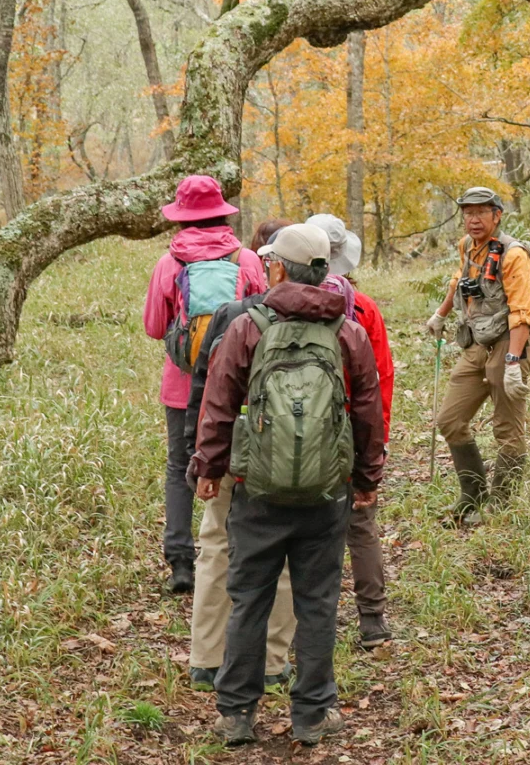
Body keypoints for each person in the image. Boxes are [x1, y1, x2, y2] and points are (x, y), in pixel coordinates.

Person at [191, 223, 385, 747]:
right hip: (327, 493)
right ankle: (314, 712)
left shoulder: (248, 326)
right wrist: (366, 478)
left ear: (278, 268)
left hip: (258, 489)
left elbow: (219, 403)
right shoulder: (349, 332)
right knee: (318, 601)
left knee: (249, 597)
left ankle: (235, 713)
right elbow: (368, 413)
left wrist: (208, 469)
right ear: (325, 272)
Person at [184, 219, 297, 692]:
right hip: (297, 460)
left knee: (217, 547)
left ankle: (207, 658)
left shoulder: (235, 317)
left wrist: (201, 458)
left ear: (272, 268)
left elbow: (207, 394)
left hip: (236, 455)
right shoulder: (337, 320)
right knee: (288, 558)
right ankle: (272, 663)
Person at [143, 175, 265, 594]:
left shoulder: (168, 263)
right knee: (234, 466)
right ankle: (231, 554)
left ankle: (180, 560)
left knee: (180, 465)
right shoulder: (246, 260)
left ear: (182, 219)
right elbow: (263, 319)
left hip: (180, 388)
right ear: (221, 214)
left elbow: (154, 326)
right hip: (237, 388)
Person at [306, 213, 395, 651]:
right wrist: (374, 453)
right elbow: (381, 382)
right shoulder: (364, 309)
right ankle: (372, 620)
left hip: (295, 436)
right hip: (351, 433)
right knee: (360, 526)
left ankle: (305, 626)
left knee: (302, 530)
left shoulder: (274, 306)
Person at [426, 186, 530, 526]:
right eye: (468, 213)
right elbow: (460, 280)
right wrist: (442, 313)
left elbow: (523, 312)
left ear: (497, 215)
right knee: (450, 419)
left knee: (508, 431)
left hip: (508, 344)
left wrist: (514, 363)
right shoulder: (468, 247)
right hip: (475, 344)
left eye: (481, 212)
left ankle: (499, 508)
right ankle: (471, 497)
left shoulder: (514, 256)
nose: (473, 219)